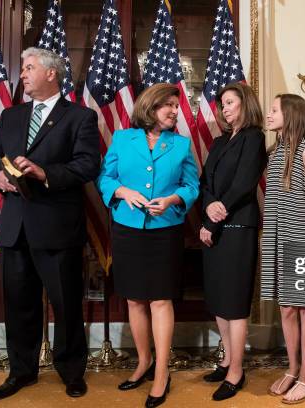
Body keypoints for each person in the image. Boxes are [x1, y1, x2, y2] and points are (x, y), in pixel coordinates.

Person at [0, 47, 100, 400]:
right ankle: (21, 371)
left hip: (57, 227)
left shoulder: (80, 118)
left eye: (29, 67)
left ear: (51, 73)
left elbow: (87, 165)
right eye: (23, 68)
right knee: (20, 304)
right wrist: (1, 178)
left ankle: (71, 371)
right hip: (15, 226)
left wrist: (44, 172)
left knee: (65, 305)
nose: (22, 74)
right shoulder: (10, 115)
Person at [96, 83, 199, 408]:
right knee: (135, 300)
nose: (172, 110)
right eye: (166, 105)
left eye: (175, 105)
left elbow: (192, 185)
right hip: (127, 229)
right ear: (149, 107)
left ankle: (161, 373)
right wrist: (123, 192)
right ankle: (143, 362)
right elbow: (105, 178)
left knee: (160, 301)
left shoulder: (181, 145)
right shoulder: (123, 139)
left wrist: (172, 199)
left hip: (165, 231)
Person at [260, 94, 305, 404]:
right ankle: (292, 369)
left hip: (302, 237)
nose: (269, 114)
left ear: (292, 115)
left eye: (275, 110)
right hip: (278, 236)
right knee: (286, 308)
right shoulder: (274, 152)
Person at [199, 83, 267, 401]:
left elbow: (243, 185)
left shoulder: (254, 137)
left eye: (230, 103)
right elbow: (205, 183)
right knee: (219, 299)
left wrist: (213, 219)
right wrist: (208, 206)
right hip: (214, 225)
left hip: (237, 226)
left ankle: (237, 372)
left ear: (245, 104)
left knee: (235, 303)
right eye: (222, 104)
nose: (224, 109)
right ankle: (226, 360)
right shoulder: (219, 142)